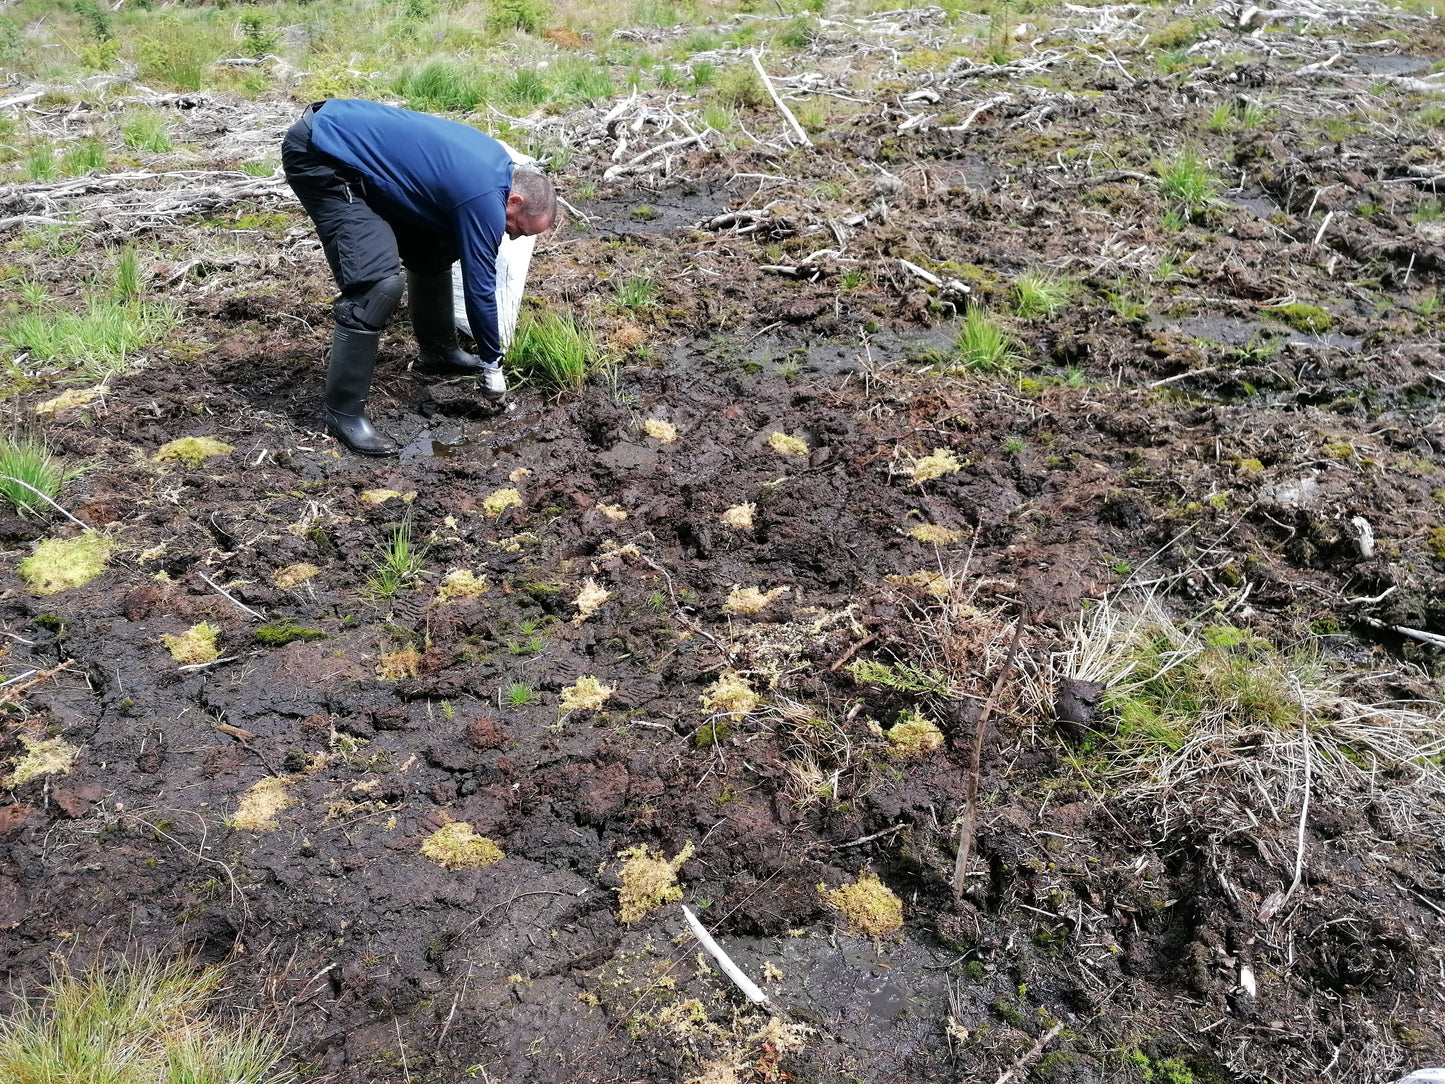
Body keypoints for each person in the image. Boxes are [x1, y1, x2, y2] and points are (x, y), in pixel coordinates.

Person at [281, 99, 557, 456]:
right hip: (322, 155)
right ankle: (343, 414)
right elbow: (480, 288)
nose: (512, 237)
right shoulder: (483, 197)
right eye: (516, 229)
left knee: (436, 250)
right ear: (515, 201)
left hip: (353, 150)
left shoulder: (495, 170)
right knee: (376, 287)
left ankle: (438, 352)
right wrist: (492, 361)